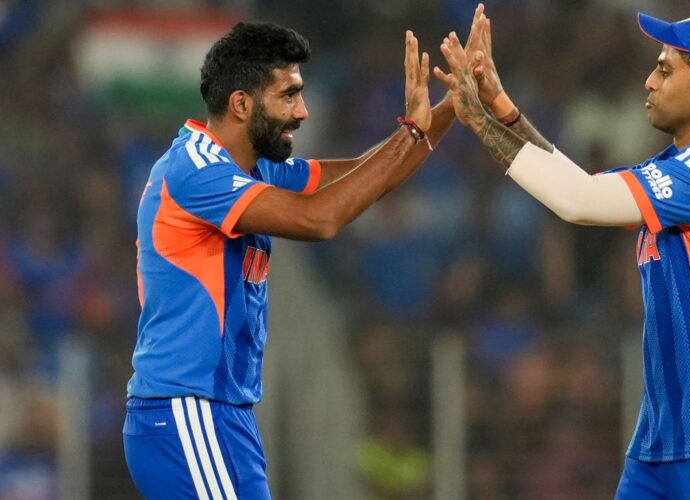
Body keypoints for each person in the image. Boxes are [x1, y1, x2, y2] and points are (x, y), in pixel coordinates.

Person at [435, 7, 690, 499]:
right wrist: (501, 107)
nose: (649, 81)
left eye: (665, 69)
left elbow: (578, 201)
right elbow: (578, 185)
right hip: (661, 443)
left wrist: (478, 121)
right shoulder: (683, 167)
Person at [123, 21, 455, 499]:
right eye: (289, 96)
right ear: (242, 104)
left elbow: (365, 177)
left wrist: (454, 108)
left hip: (225, 416)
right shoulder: (194, 168)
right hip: (185, 411)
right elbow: (320, 219)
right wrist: (413, 132)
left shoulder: (255, 169)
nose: (303, 111)